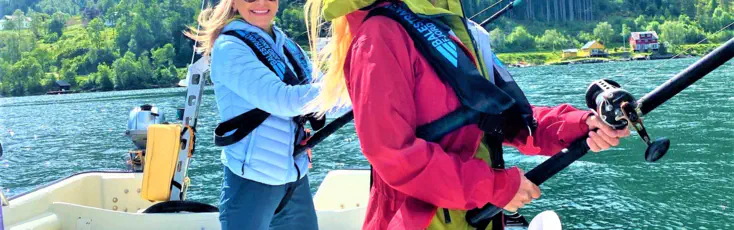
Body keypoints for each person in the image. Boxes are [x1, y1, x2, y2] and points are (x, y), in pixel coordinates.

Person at [304, 0, 630, 229]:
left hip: (478, 216)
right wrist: (493, 187)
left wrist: (582, 125)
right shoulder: (378, 36)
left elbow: (510, 116)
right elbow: (392, 154)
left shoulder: (462, 32)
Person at [185, 0, 321, 229]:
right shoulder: (229, 48)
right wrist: (353, 87)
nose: (260, 2)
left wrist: (370, 91)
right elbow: (283, 100)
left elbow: (326, 93)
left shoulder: (288, 47)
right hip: (250, 181)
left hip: (294, 181)